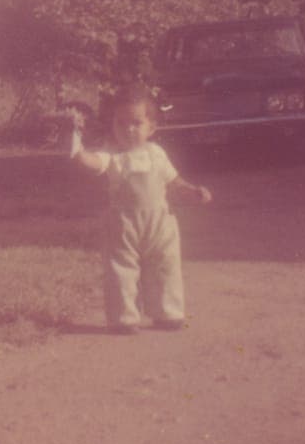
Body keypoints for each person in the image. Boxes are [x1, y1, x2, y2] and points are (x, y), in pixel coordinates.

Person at [69, 84, 212, 335]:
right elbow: (93, 164)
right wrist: (78, 152)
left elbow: (173, 181)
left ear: (151, 127)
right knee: (120, 270)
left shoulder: (157, 154)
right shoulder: (111, 154)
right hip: (123, 225)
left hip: (160, 223)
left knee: (165, 267)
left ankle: (168, 313)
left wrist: (192, 192)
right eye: (121, 123)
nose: (128, 129)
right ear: (113, 124)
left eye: (136, 123)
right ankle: (123, 318)